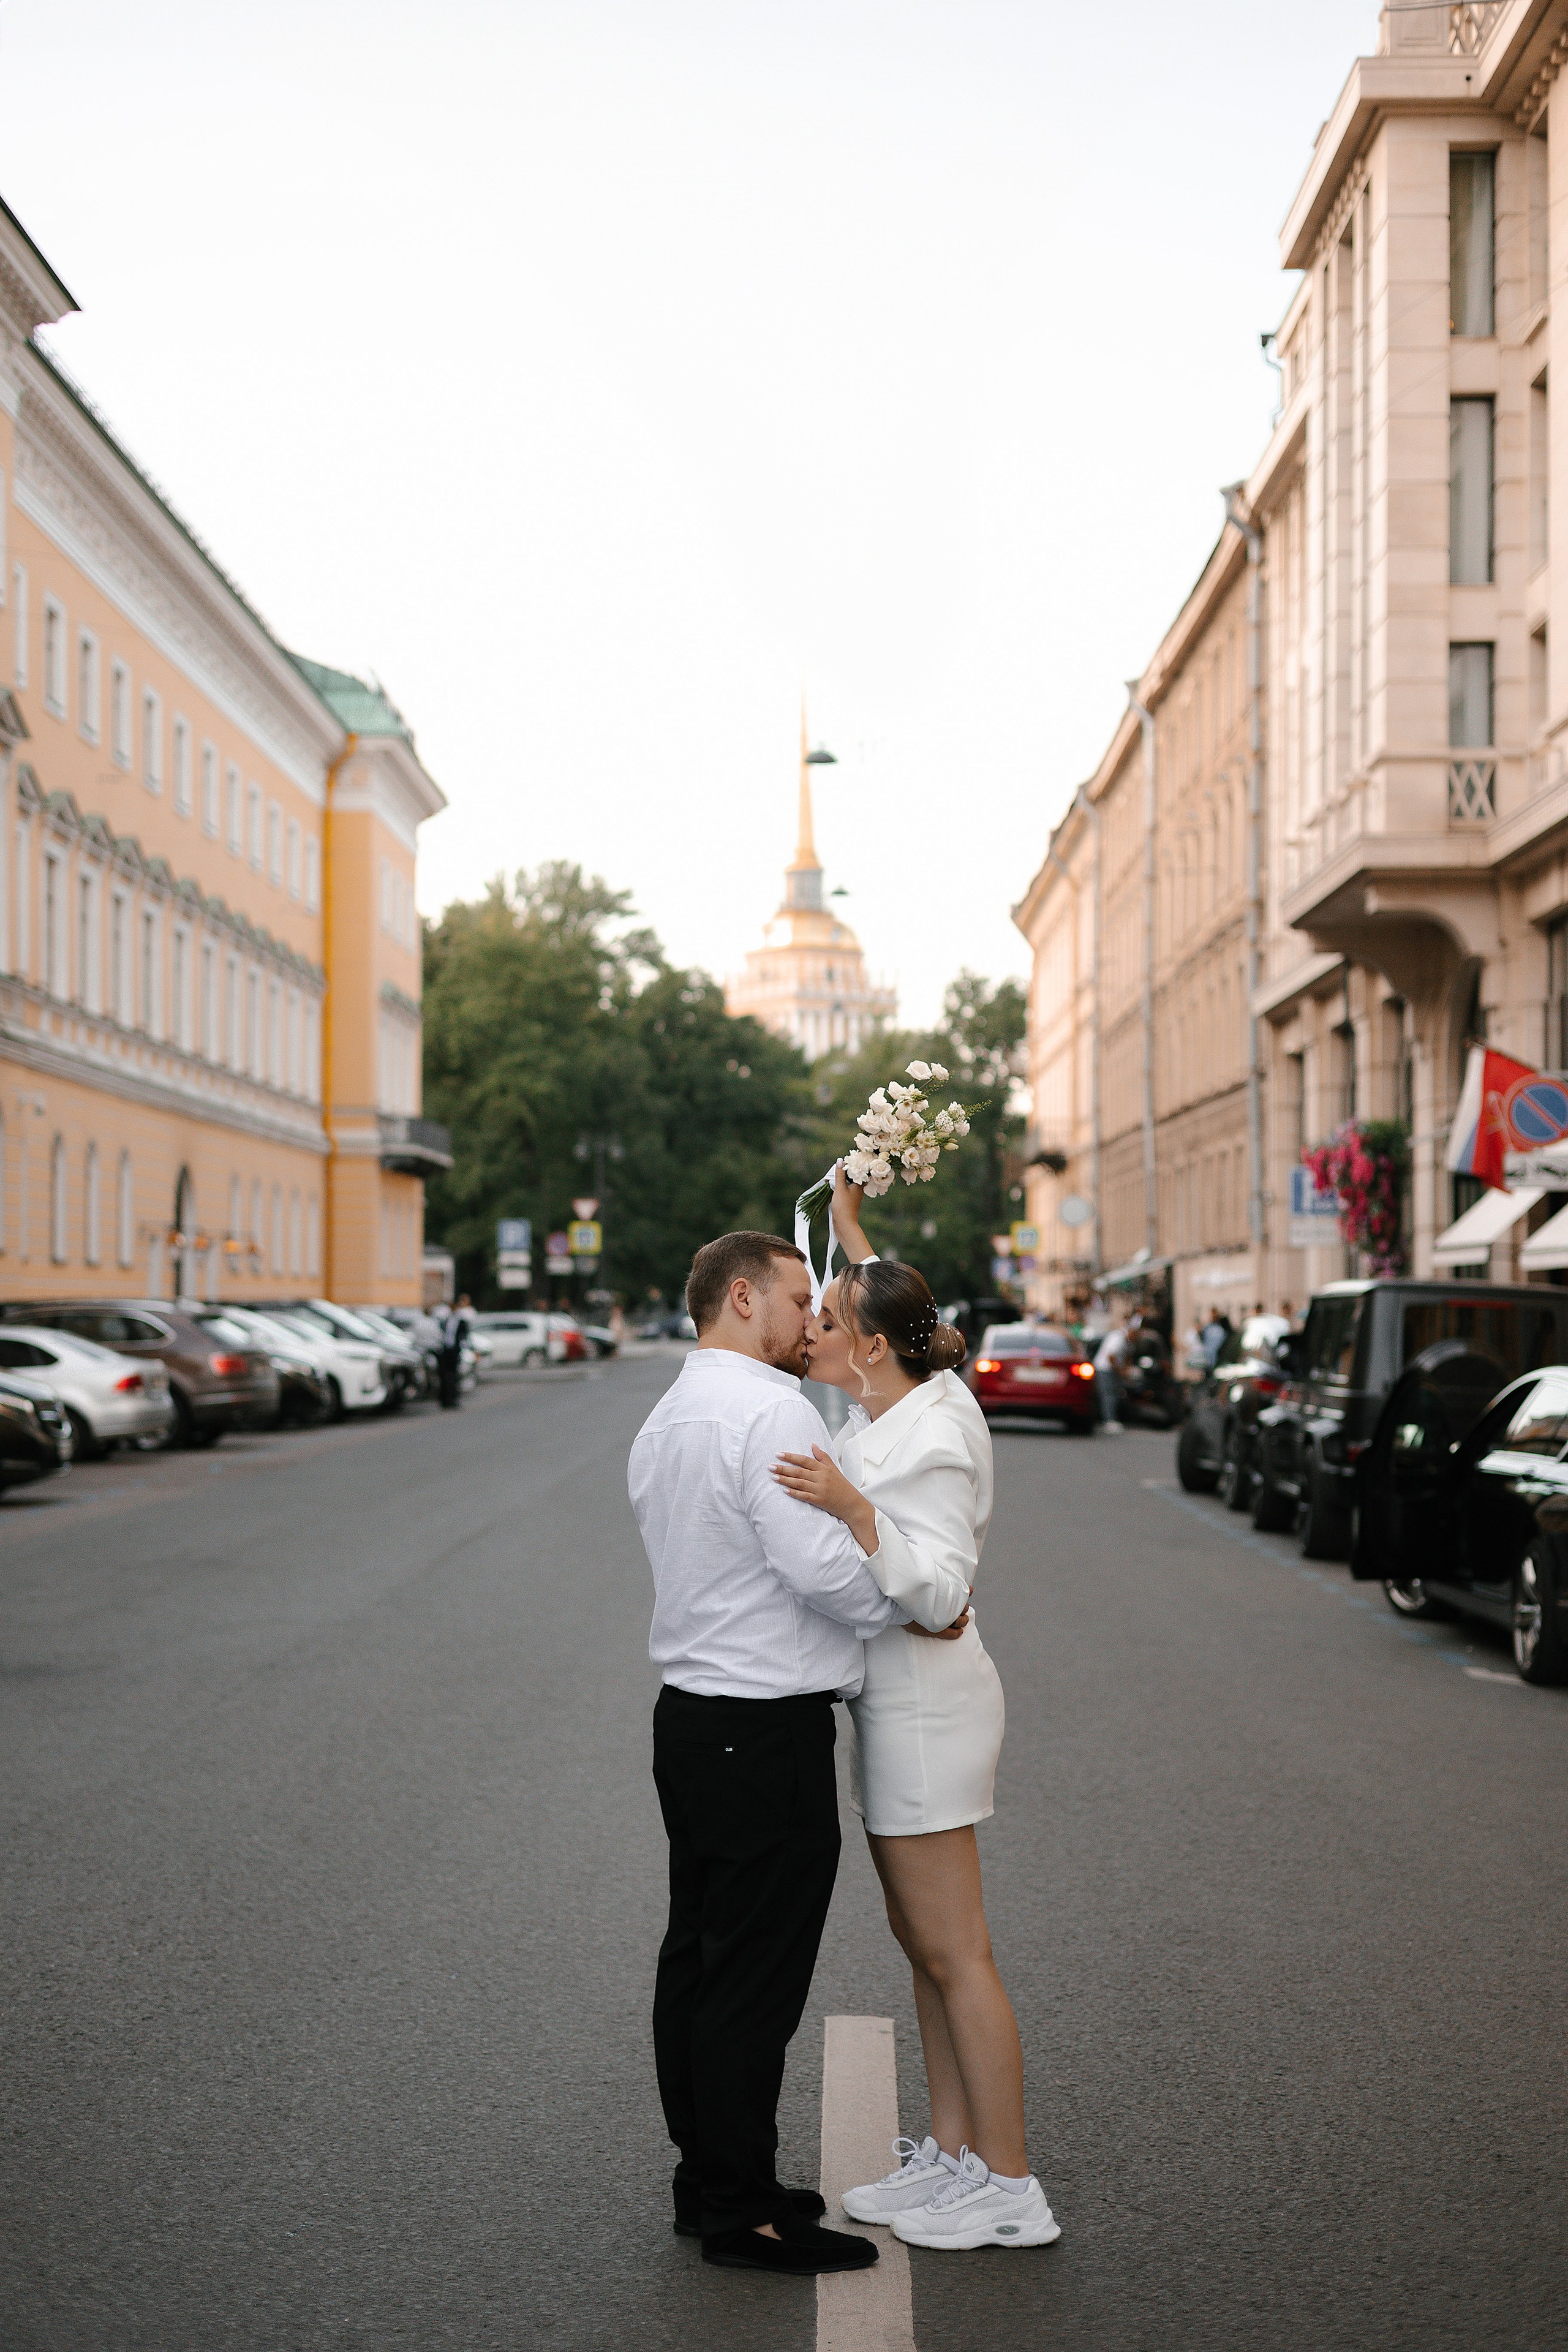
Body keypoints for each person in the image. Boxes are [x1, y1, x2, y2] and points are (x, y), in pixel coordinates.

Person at [627, 1229, 970, 2277]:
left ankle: (711, 2180)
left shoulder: (670, 1411)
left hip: (692, 1716)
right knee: (752, 1982)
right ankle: (741, 2211)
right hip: (760, 1731)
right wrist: (914, 1605)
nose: (808, 1317)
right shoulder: (768, 1409)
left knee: (698, 1960)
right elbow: (824, 1570)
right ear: (741, 1299)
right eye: (793, 1298)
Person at [771, 1175, 1061, 2254]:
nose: (815, 1334)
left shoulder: (930, 1431)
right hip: (897, 1704)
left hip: (932, 1712)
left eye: (831, 1324)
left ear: (875, 1349)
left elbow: (938, 1592)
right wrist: (851, 1231)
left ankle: (1012, 2183)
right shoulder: (901, 1392)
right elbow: (894, 1301)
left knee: (958, 1953)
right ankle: (954, 2154)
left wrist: (851, 1510)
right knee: (923, 1947)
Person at [1093, 1318, 1126, 1431]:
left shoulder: (1122, 1338)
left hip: (1106, 1369)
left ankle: (1109, 1419)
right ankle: (1109, 1421)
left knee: (1111, 1394)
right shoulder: (1119, 1339)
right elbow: (1111, 1356)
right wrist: (1119, 1370)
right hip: (1105, 1369)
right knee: (1109, 1395)